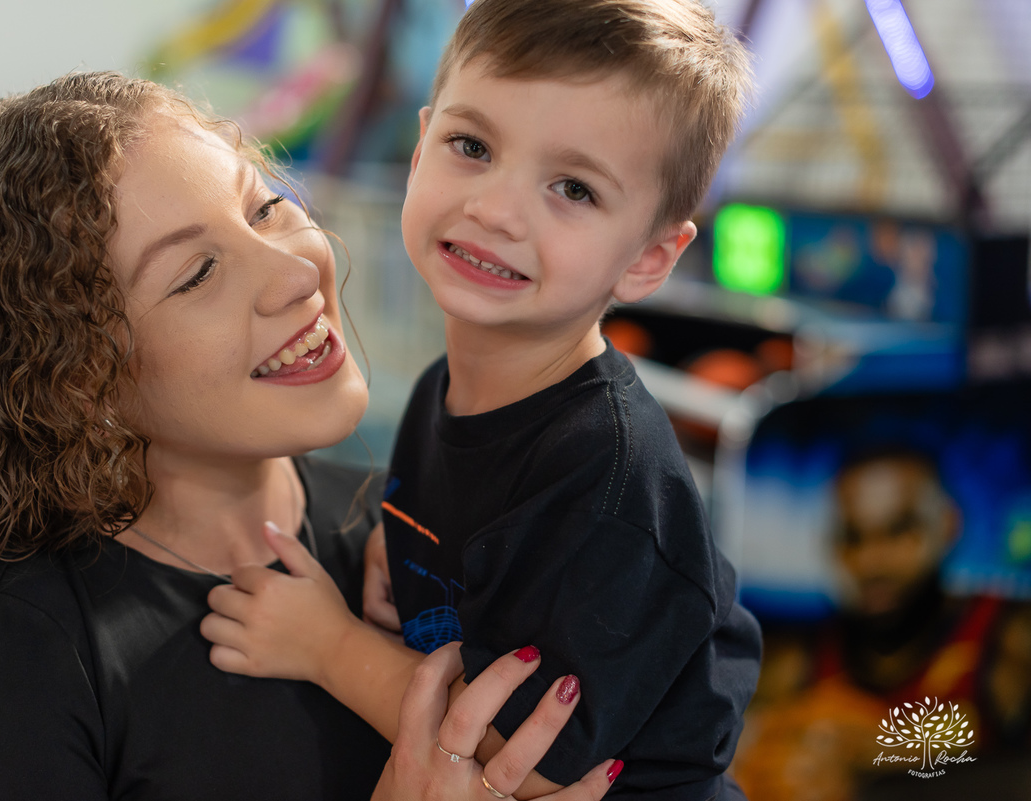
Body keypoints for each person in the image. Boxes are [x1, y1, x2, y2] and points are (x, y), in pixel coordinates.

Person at [0, 71, 618, 801]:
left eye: (265, 209)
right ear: (76, 376)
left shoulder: (397, 528)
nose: (293, 272)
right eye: (195, 275)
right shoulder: (13, 645)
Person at [201, 1, 762, 797]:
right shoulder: (450, 387)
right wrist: (413, 560)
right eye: (472, 147)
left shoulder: (604, 476)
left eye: (572, 187)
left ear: (648, 257)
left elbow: (515, 755)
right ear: (421, 145)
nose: (495, 209)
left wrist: (327, 646)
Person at [732, 448, 1031, 801]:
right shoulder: (793, 667)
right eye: (853, 538)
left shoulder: (1009, 639)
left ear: (948, 525)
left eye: (899, 531)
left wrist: (872, 763)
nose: (872, 561)